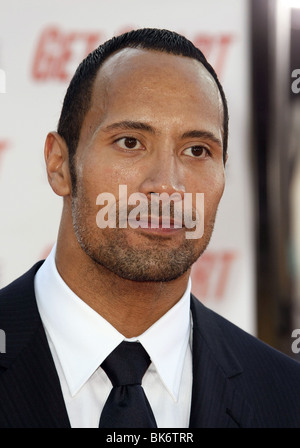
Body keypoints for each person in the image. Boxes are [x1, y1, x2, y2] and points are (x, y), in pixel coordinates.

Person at [0, 28, 300, 429]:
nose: (167, 185)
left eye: (197, 151)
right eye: (130, 142)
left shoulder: (286, 397)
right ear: (59, 164)